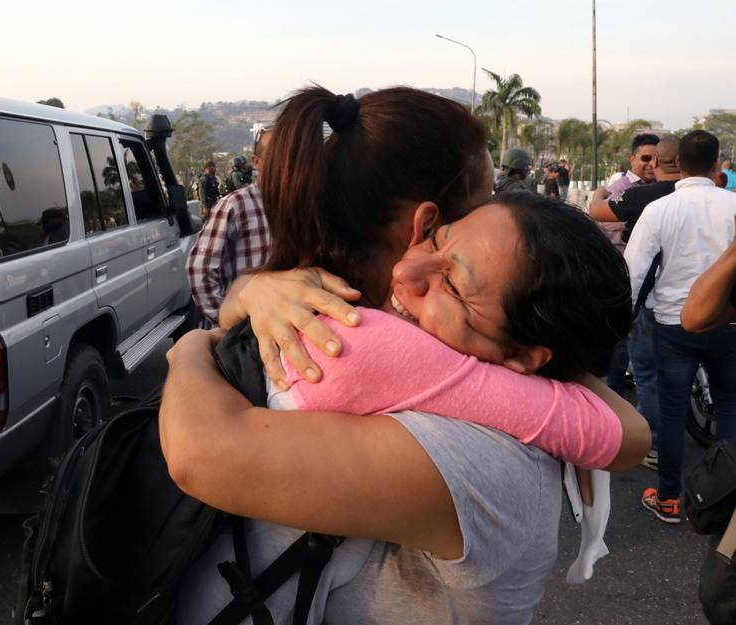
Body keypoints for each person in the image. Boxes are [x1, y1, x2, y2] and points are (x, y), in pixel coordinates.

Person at [162, 86, 649, 625]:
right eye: (466, 218)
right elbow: (622, 434)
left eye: (459, 281)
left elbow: (203, 454)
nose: (407, 273)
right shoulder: (361, 333)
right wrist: (251, 295)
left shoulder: (481, 446)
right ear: (422, 224)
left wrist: (195, 343)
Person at [626, 130, 736, 524]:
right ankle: (727, 500)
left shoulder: (660, 210)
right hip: (728, 322)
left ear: (676, 164)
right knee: (730, 405)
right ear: (716, 162)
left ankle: (670, 498)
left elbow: (633, 273)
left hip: (673, 324)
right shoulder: (734, 205)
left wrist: (621, 322)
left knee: (672, 413)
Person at [589, 135, 682, 468]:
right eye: (642, 157)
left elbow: (597, 213)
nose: (647, 163)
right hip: (677, 300)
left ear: (659, 162)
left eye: (651, 158)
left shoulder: (647, 197)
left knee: (648, 374)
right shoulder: (635, 190)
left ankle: (647, 440)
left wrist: (598, 195)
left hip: (646, 295)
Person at [185, 128, 273, 326]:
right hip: (245, 333)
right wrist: (229, 321)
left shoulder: (301, 205)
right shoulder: (235, 205)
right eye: (276, 155)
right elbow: (201, 269)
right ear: (257, 161)